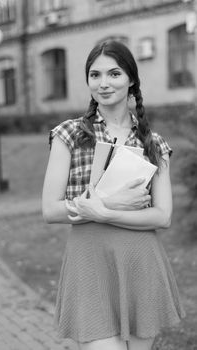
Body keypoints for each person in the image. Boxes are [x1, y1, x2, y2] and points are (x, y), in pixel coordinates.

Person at [42, 40, 185, 350]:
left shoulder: (154, 143)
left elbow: (163, 216)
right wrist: (111, 203)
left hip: (140, 260)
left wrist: (104, 212)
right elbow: (50, 210)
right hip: (90, 261)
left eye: (114, 73)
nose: (103, 83)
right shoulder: (69, 134)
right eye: (95, 75)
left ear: (131, 79)